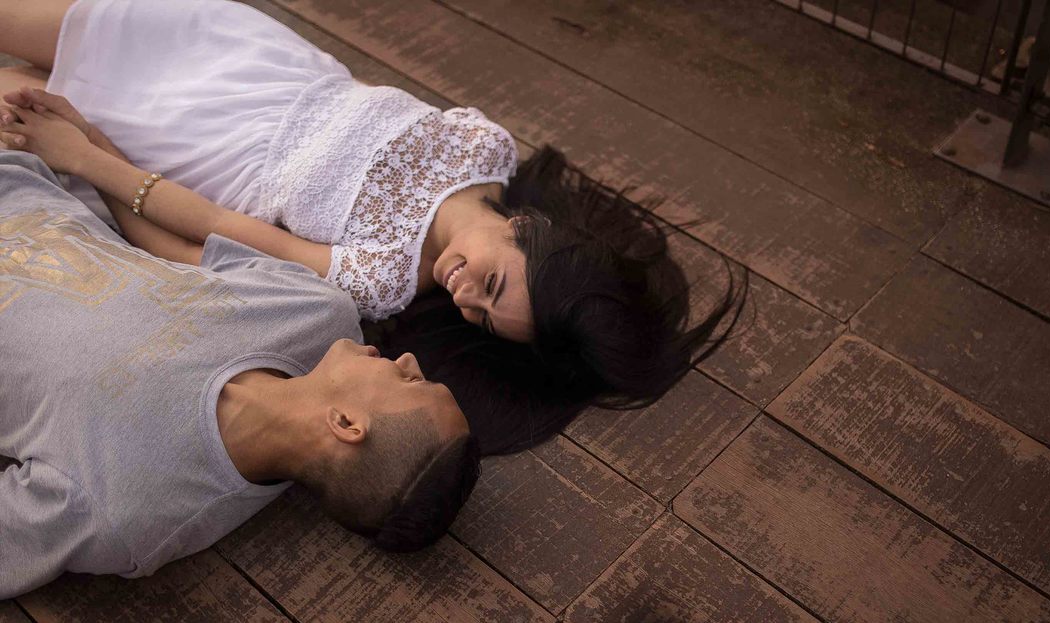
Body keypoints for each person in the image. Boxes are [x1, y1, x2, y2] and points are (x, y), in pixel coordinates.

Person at [0, 0, 746, 454]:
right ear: (524, 226)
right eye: (491, 285)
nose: (463, 298)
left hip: (204, 151)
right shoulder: (483, 146)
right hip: (248, 60)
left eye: (481, 318)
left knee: (16, 100)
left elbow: (218, 229)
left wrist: (88, 158)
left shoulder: (384, 277)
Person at [0, 148, 481, 599]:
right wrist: (83, 145)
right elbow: (177, 245)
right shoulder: (317, 313)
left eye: (414, 382)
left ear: (346, 423)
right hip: (19, 173)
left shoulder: (128, 511)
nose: (408, 360)